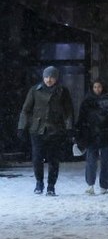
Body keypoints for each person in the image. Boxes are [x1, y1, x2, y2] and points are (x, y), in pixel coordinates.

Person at [17, 66, 75, 196]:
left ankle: (51, 186)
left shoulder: (62, 91)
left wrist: (69, 127)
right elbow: (26, 110)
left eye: (52, 77)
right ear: (43, 77)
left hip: (55, 129)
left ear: (56, 78)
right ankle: (39, 182)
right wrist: (21, 127)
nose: (49, 80)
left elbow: (68, 111)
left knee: (53, 159)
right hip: (37, 129)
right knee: (37, 158)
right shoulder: (35, 90)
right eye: (46, 77)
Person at [76, 79, 108, 195]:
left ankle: (103, 185)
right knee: (92, 160)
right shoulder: (89, 101)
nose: (97, 89)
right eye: (95, 87)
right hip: (93, 134)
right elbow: (82, 119)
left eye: (99, 87)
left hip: (104, 134)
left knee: (105, 161)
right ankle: (91, 185)